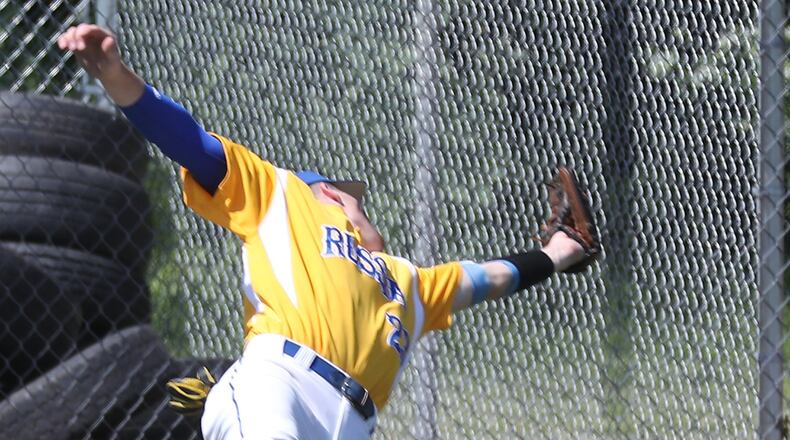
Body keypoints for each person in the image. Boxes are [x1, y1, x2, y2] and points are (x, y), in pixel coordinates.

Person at [58, 24, 600, 440]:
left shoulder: (409, 283)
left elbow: (488, 278)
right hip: (280, 384)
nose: (359, 203)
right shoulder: (282, 197)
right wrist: (112, 73)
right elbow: (188, 140)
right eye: (349, 194)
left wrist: (557, 253)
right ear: (332, 196)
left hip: (346, 424)